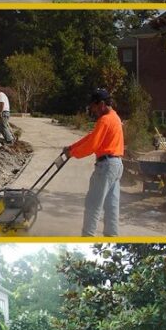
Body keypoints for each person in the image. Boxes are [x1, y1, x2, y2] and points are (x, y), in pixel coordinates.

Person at [62, 89, 124, 237]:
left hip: (106, 166)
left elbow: (92, 146)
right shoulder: (114, 116)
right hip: (117, 165)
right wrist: (72, 147)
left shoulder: (104, 120)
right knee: (111, 207)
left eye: (94, 107)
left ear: (102, 104)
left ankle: (87, 237)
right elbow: (92, 137)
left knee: (93, 205)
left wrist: (73, 154)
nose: (93, 110)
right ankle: (112, 236)